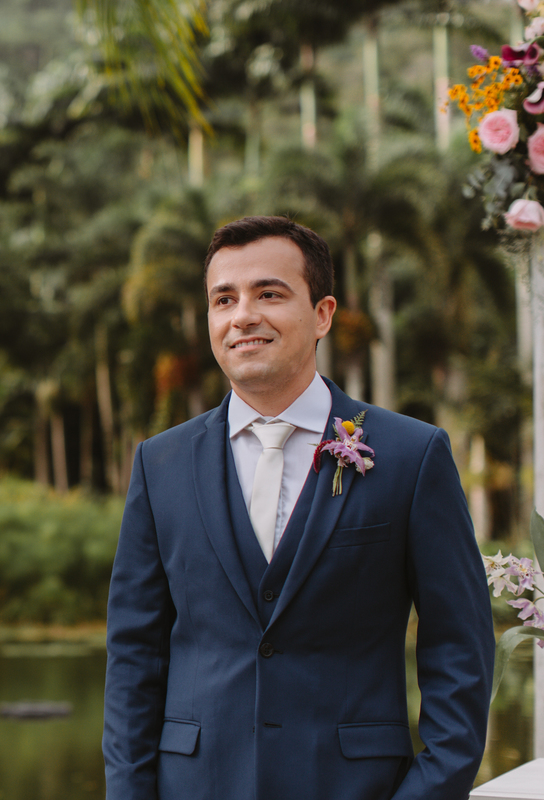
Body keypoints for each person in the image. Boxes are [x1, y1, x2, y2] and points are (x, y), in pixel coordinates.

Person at [102, 216, 493, 800]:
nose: (242, 316)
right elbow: (134, 655)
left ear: (323, 315)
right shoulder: (160, 464)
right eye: (223, 299)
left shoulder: (412, 455)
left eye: (269, 294)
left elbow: (460, 648)